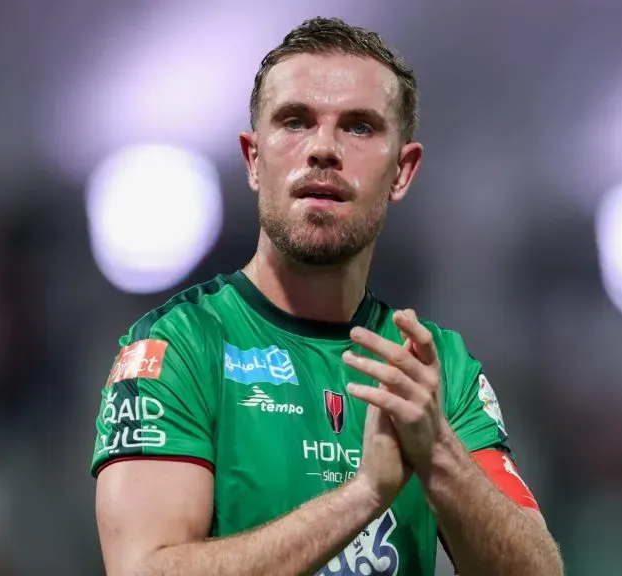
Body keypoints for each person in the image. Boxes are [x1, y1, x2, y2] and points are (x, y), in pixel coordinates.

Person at [91, 16, 563, 576]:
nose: (322, 149)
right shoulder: (177, 347)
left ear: (403, 171)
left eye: (359, 127)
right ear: (253, 159)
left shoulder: (435, 369)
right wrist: (364, 494)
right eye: (295, 121)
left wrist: (438, 450)